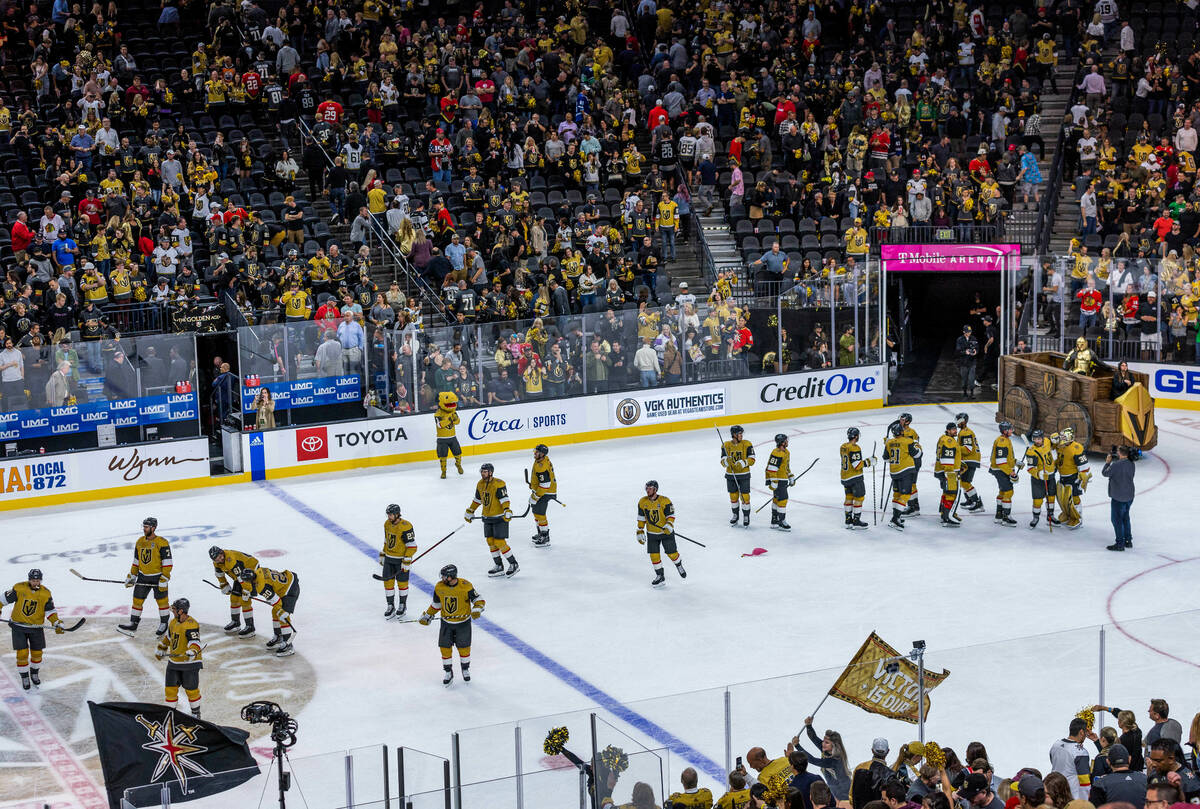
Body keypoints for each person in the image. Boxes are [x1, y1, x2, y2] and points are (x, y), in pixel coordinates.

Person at [418, 564, 484, 687]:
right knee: (444, 647)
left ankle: (465, 669)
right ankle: (448, 671)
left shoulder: (466, 586)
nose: (442, 578)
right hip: (446, 624)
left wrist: (477, 609)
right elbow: (436, 604)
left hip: (463, 623)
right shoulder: (439, 587)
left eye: (444, 576)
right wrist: (428, 615)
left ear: (451, 577)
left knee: (464, 648)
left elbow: (478, 599)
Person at [2, 569, 67, 691]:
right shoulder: (19, 588)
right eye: (33, 580)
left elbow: (50, 611)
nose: (35, 582)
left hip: (36, 628)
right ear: (29, 579)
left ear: (40, 580)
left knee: (37, 654)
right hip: (18, 627)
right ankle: (24, 676)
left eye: (37, 580)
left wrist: (56, 622)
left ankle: (34, 673)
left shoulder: (45, 593)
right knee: (22, 654)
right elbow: (3, 600)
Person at [117, 517, 173, 637]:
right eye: (144, 526)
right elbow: (136, 561)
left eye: (146, 527)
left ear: (153, 528)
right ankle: (133, 623)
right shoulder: (139, 541)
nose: (144, 529)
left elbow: (167, 562)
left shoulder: (162, 542)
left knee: (162, 602)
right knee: (137, 600)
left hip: (158, 577)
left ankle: (164, 623)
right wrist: (132, 575)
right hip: (143, 576)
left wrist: (164, 578)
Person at [465, 463, 518, 578]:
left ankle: (514, 564)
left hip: (499, 518)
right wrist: (470, 510)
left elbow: (504, 498)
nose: (482, 473)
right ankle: (499, 566)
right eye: (482, 471)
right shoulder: (480, 484)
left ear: (490, 472)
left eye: (485, 471)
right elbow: (477, 500)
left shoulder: (499, 484)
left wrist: (507, 510)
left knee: (499, 542)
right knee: (490, 541)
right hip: (487, 517)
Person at [154, 597, 203, 717]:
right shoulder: (173, 622)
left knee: (191, 691)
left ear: (181, 611)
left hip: (190, 664)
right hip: (174, 663)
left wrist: (192, 651)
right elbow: (169, 638)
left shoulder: (192, 624)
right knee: (170, 690)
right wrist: (161, 648)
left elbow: (195, 641)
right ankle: (169, 714)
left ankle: (196, 714)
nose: (173, 611)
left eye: (175, 609)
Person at [238, 564, 299, 657]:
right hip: (287, 579)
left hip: (289, 589)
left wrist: (281, 610)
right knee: (275, 612)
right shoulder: (259, 570)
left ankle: (288, 645)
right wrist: (249, 592)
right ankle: (279, 637)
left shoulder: (261, 586)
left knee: (282, 615)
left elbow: (275, 600)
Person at [637, 479, 686, 588]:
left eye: (650, 488)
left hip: (665, 533)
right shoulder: (642, 502)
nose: (647, 490)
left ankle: (679, 565)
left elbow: (671, 515)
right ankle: (660, 576)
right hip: (651, 534)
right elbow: (641, 518)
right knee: (654, 556)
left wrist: (669, 525)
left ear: (655, 489)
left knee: (671, 553)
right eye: (647, 488)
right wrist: (640, 530)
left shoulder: (665, 501)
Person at [208, 546, 261, 636]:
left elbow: (241, 577)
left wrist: (247, 590)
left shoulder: (230, 559)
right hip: (240, 574)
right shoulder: (217, 563)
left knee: (244, 600)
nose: (220, 559)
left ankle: (250, 627)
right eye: (216, 559)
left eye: (220, 556)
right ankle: (235, 622)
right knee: (234, 598)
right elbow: (219, 575)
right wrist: (224, 584)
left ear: (222, 552)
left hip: (250, 570)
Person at [379, 504, 417, 619]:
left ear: (397, 514)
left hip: (400, 560)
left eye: (390, 514)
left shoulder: (406, 526)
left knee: (402, 584)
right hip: (389, 559)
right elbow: (386, 539)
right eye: (388, 514)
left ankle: (402, 605)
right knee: (388, 583)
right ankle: (390, 605)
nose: (389, 516)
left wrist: (406, 560)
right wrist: (383, 553)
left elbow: (412, 546)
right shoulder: (387, 524)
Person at [884, 421, 922, 531]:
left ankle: (897, 517)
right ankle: (895, 519)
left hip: (894, 472)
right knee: (905, 495)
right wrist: (918, 446)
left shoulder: (889, 443)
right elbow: (917, 454)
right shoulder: (908, 441)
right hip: (906, 472)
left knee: (896, 495)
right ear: (901, 432)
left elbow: (886, 459)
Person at [1054, 427, 1090, 530]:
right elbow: (1061, 459)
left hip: (1073, 477)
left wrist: (1083, 476)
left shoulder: (1077, 448)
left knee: (1074, 497)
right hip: (1062, 476)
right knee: (1063, 498)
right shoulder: (1061, 446)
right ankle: (1067, 514)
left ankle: (1077, 518)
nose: (1062, 438)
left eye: (1064, 437)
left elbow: (1084, 465)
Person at [1049, 717, 1092, 800]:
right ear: (1081, 732)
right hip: (1072, 796)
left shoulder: (1056, 745)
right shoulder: (1081, 752)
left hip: (1054, 792)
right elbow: (1084, 781)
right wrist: (1086, 802)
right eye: (1086, 733)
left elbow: (1053, 762)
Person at [721, 425, 755, 527]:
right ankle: (735, 515)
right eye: (739, 433)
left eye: (741, 433)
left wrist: (744, 463)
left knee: (745, 497)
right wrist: (727, 461)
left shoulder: (747, 444)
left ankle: (746, 516)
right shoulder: (726, 445)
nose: (741, 435)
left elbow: (752, 459)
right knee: (733, 496)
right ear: (734, 435)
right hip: (731, 475)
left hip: (744, 475)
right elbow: (722, 461)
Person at [1102, 445, 1135, 550]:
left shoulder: (1116, 465)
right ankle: (1128, 540)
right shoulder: (1131, 463)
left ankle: (1120, 543)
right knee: (1125, 517)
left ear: (1120, 453)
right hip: (1129, 495)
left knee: (1116, 520)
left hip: (1118, 497)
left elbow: (1105, 473)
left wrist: (1107, 462)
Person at [1023, 429, 1057, 530]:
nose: (1037, 441)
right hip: (1038, 479)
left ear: (1042, 438)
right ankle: (1035, 518)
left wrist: (1055, 441)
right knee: (1037, 500)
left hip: (1050, 476)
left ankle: (1050, 515)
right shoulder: (1031, 452)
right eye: (1035, 439)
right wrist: (1039, 474)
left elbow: (1053, 446)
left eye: (1039, 439)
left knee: (1051, 498)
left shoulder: (1046, 441)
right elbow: (1030, 468)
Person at [988, 422, 1020, 526]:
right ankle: (1006, 517)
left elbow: (1007, 458)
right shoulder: (1002, 442)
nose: (1012, 430)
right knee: (1009, 492)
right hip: (1000, 470)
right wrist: (1011, 472)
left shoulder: (1005, 440)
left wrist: (1015, 462)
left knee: (1002, 492)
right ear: (1005, 431)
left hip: (1000, 469)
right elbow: (1001, 462)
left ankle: (999, 515)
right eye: (1010, 429)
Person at [839, 427, 871, 530]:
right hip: (855, 478)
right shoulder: (855, 447)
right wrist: (869, 462)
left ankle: (848, 521)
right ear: (856, 436)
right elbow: (857, 465)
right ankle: (856, 520)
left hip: (845, 477)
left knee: (849, 497)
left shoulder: (843, 446)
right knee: (859, 498)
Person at [934, 422, 964, 527]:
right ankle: (947, 518)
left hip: (941, 470)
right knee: (952, 493)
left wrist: (959, 464)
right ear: (947, 430)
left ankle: (944, 513)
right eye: (953, 429)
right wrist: (950, 472)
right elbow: (947, 459)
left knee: (947, 492)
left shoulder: (942, 438)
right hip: (948, 471)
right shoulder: (949, 441)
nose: (955, 431)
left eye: (955, 429)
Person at [850, 738, 893, 809]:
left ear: (872, 750)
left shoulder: (859, 768)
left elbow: (851, 796)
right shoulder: (889, 774)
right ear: (888, 751)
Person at [528, 444, 557, 547]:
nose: (534, 453)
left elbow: (545, 485)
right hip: (541, 491)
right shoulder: (541, 460)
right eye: (535, 451)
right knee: (536, 512)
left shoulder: (542, 466)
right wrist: (534, 485)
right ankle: (541, 533)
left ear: (542, 454)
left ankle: (545, 537)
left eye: (537, 452)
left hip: (545, 492)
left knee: (540, 514)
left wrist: (535, 497)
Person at [765, 433, 793, 531]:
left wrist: (790, 476)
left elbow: (786, 467)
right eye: (785, 440)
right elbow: (771, 468)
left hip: (783, 479)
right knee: (783, 499)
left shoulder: (786, 452)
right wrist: (774, 481)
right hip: (778, 480)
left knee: (776, 499)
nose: (787, 442)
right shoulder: (777, 453)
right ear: (781, 442)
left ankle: (774, 521)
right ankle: (781, 521)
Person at [435, 391, 464, 478]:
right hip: (442, 439)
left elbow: (458, 421)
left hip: (452, 437)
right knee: (443, 457)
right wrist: (449, 419)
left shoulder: (453, 412)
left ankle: (458, 465)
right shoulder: (437, 414)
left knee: (458, 453)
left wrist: (453, 418)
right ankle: (443, 471)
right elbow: (440, 425)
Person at [955, 325, 979, 399]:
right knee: (964, 379)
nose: (969, 333)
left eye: (970, 332)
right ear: (964, 332)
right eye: (967, 332)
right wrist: (965, 352)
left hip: (972, 362)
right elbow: (957, 351)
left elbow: (977, 348)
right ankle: (965, 392)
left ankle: (972, 392)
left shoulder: (973, 338)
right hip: (963, 362)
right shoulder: (960, 340)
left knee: (971, 378)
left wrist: (976, 351)